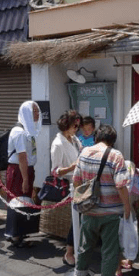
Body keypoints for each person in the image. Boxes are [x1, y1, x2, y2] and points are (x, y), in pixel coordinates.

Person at [72, 124, 131, 276]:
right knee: (110, 252)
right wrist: (127, 207)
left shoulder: (84, 152)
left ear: (97, 137)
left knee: (85, 245)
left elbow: (76, 180)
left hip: (89, 209)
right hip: (110, 212)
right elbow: (121, 185)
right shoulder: (116, 155)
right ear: (112, 140)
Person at [5, 101, 41, 247]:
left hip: (26, 169)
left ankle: (19, 232)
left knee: (23, 200)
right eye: (33, 111)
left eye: (38, 111)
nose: (37, 114)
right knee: (17, 201)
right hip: (19, 170)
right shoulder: (19, 132)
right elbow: (22, 157)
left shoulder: (28, 131)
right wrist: (25, 179)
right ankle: (15, 236)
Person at [51, 110, 82, 266]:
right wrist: (71, 168)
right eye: (74, 125)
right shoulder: (58, 144)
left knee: (81, 219)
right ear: (66, 125)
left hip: (80, 183)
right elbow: (55, 171)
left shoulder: (74, 139)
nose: (76, 128)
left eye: (77, 125)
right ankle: (69, 252)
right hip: (71, 185)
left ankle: (76, 249)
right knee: (76, 220)